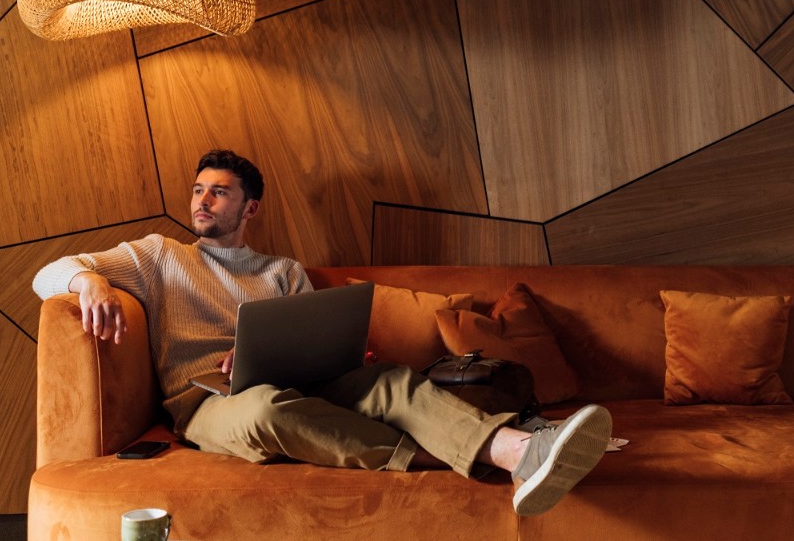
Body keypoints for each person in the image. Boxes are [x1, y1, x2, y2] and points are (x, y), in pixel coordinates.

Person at [32, 149, 611, 516]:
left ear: (250, 208)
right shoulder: (159, 256)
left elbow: (314, 346)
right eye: (198, 190)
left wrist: (335, 350)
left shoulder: (282, 272)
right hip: (206, 400)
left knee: (387, 380)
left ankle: (519, 450)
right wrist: (91, 283)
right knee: (266, 411)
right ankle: (470, 453)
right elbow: (47, 273)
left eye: (219, 191)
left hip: (298, 382)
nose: (202, 201)